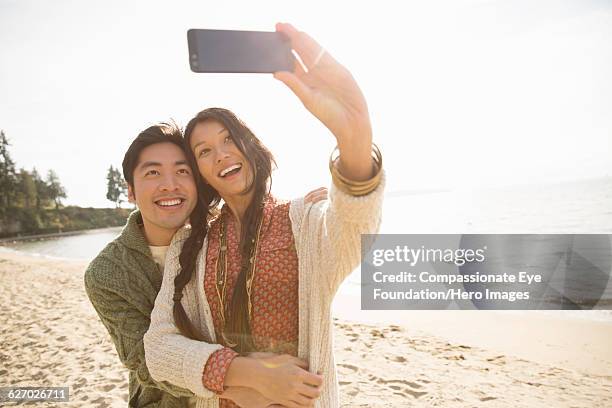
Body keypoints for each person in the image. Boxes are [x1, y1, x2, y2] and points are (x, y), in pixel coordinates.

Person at [143, 23, 385, 408]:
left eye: (227, 140)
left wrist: (353, 136)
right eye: (204, 151)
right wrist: (246, 376)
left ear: (250, 147)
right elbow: (158, 349)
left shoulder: (304, 220)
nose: (220, 154)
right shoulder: (190, 245)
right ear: (201, 173)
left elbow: (356, 234)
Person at [84, 123, 327, 407]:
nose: (169, 184)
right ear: (130, 191)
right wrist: (239, 385)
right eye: (153, 172)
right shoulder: (106, 273)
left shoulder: (218, 236)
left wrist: (311, 213)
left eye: (182, 171)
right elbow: (144, 360)